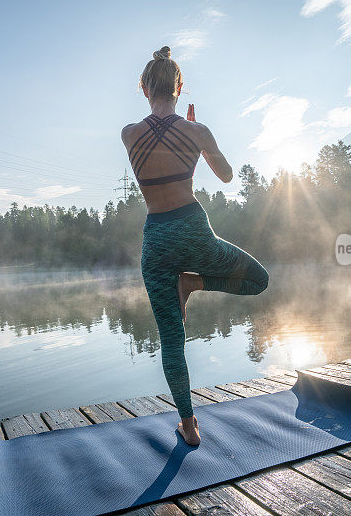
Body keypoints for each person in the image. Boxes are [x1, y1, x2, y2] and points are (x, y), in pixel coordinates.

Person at [120, 46, 269, 445]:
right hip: (194, 231)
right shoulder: (196, 132)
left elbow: (155, 144)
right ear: (180, 86)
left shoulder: (128, 134)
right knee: (258, 280)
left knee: (171, 340)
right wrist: (198, 139)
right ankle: (195, 283)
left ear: (143, 87)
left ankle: (189, 426)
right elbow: (226, 176)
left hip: (156, 242)